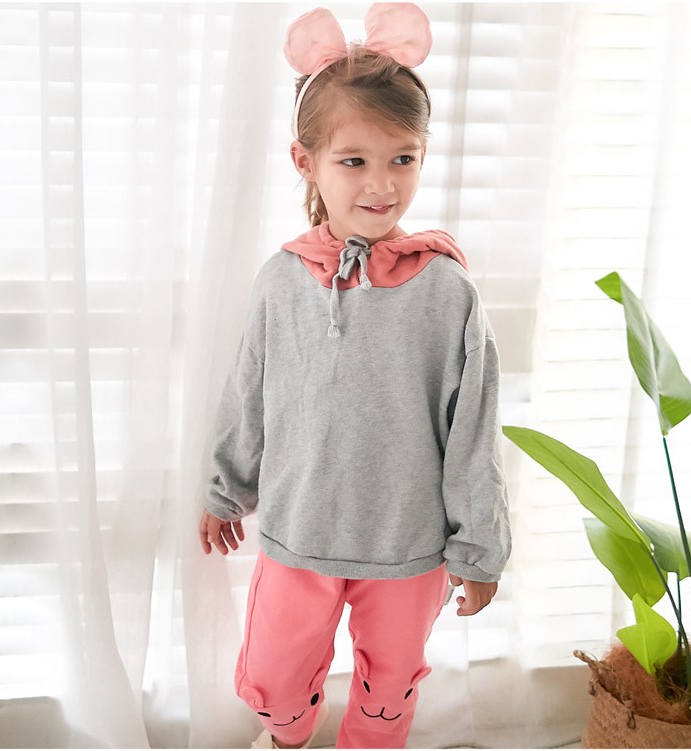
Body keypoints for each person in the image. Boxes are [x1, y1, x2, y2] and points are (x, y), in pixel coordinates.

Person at [198, 4, 511, 748]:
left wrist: (479, 548)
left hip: (407, 545)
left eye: (402, 158)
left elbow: (473, 429)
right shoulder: (281, 280)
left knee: (390, 687)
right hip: (298, 532)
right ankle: (287, 740)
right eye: (354, 161)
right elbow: (249, 391)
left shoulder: (447, 290)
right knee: (273, 677)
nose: (382, 184)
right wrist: (224, 486)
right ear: (305, 160)